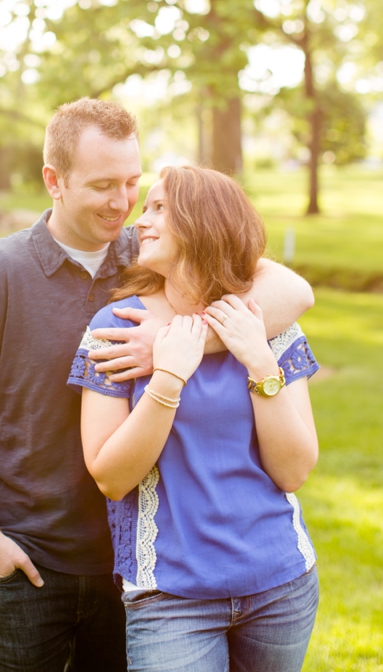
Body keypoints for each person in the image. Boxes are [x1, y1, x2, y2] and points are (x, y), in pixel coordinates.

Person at [0, 98, 314, 672]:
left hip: (140, 568)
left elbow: (293, 292)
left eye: (131, 182)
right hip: (29, 559)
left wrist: (182, 341)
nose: (123, 203)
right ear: (54, 180)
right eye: (103, 185)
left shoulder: (151, 257)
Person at [71, 165, 321, 672]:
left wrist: (258, 361)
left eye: (159, 207)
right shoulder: (119, 329)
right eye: (147, 208)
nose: (141, 220)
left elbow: (293, 471)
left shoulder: (266, 326)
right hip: (172, 600)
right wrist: (167, 379)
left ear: (204, 221)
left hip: (280, 588)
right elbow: (111, 477)